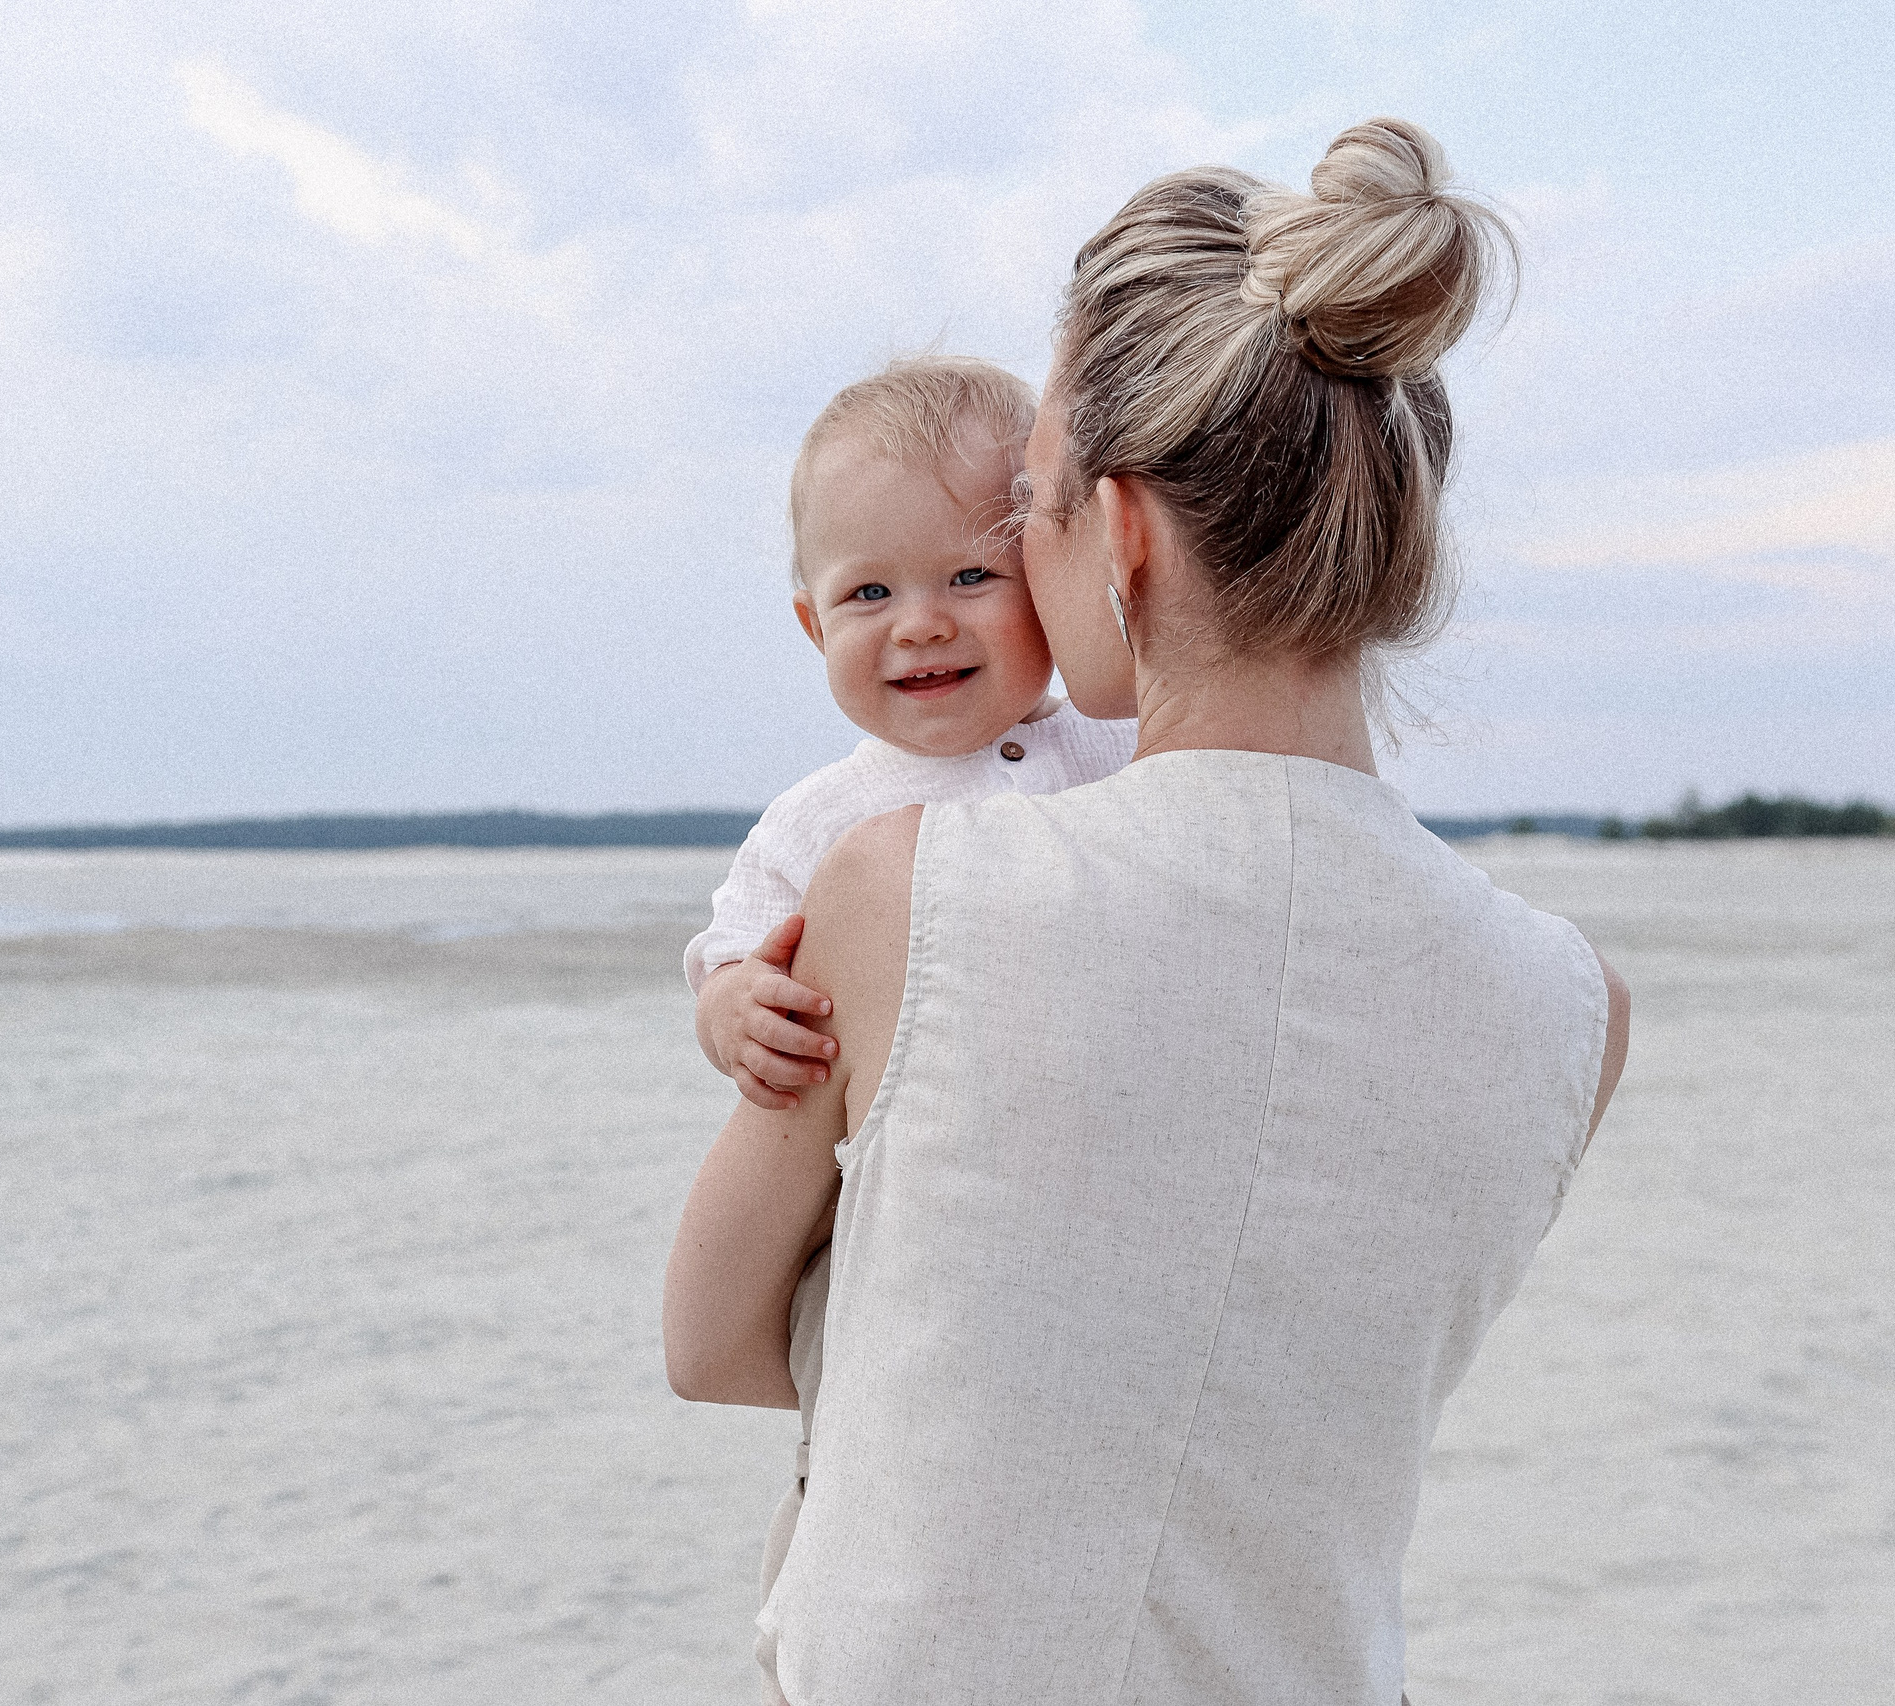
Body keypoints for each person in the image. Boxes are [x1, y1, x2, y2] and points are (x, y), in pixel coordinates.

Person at [663, 117, 1632, 1706]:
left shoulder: (905, 881)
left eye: (1026, 510)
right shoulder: (1570, 1002)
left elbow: (710, 1343)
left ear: (1116, 530)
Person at [683, 356, 1137, 1612]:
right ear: (812, 622)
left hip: (1069, 1197)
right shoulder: (820, 818)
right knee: (855, 1489)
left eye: (970, 577)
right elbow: (727, 952)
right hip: (889, 1215)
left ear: (1054, 579)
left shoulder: (1113, 744)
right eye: (868, 590)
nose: (920, 621)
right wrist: (734, 1013)